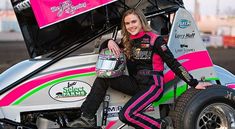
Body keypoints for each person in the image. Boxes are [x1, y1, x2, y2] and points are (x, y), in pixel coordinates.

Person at [68, 8, 210, 129]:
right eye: (127, 23)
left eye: (134, 22)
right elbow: (105, 49)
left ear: (141, 21)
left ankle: (160, 126)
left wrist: (194, 83)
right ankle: (87, 117)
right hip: (136, 83)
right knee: (103, 79)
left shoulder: (156, 40)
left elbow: (174, 64)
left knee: (126, 115)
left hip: (153, 86)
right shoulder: (127, 41)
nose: (131, 26)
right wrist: (108, 42)